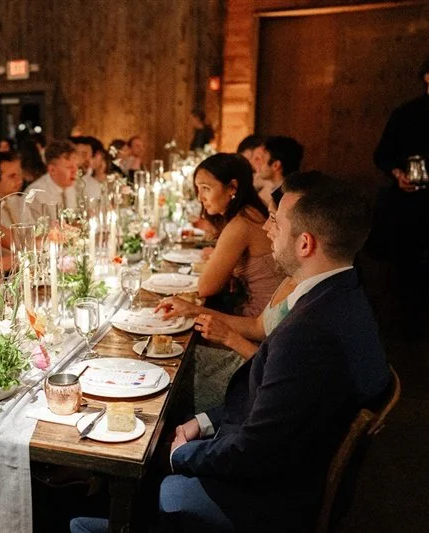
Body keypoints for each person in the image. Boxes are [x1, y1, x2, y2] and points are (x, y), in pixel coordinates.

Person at [73, 172, 391, 533]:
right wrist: (205, 421)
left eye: (276, 222)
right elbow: (278, 403)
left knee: (143, 455)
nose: (268, 229)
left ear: (305, 244)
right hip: (286, 463)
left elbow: (256, 451)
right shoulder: (340, 295)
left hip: (268, 500)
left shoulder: (311, 331)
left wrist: (181, 456)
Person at [158, 194, 296, 412]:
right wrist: (193, 310)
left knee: (174, 366)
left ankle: (185, 430)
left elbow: (278, 377)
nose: (265, 227)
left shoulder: (312, 300)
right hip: (255, 357)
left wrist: (230, 338)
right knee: (171, 354)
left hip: (254, 379)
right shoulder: (292, 277)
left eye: (273, 219)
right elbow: (257, 327)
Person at [368, 58, 429, 335]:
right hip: (410, 203)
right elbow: (382, 154)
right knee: (407, 266)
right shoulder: (407, 113)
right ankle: (410, 326)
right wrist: (397, 173)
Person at [193, 153, 283, 317]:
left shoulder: (242, 224)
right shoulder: (250, 212)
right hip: (263, 315)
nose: (200, 197)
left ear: (232, 187)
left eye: (206, 188)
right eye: (198, 189)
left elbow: (204, 288)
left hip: (261, 321)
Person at [24, 140, 79, 221]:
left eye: (76, 166)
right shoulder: (36, 195)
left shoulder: (72, 187)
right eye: (69, 167)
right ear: (52, 170)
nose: (75, 171)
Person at [251, 136, 304, 205]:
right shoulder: (277, 191)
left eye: (262, 159)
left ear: (276, 165)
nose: (258, 165)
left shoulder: (286, 197)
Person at [0, 150, 27, 227]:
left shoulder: (18, 200)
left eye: (20, 174)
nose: (20, 180)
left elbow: (34, 232)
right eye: (12, 176)